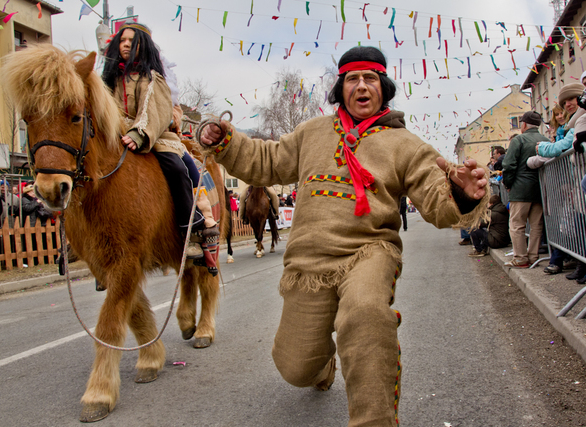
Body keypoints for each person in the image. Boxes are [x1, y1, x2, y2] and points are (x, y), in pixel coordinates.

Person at [198, 45, 488, 425]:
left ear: (383, 87)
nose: (362, 86)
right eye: (353, 79)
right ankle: (323, 362)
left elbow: (436, 198)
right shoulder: (312, 132)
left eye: (370, 78)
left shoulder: (406, 143)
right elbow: (266, 159)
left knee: (366, 314)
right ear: (341, 88)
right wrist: (226, 141)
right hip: (309, 262)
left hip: (369, 251)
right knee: (295, 368)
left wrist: (463, 193)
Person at [101, 22, 217, 263]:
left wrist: (138, 134)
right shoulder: (109, 79)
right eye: (122, 40)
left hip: (155, 137)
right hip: (115, 135)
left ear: (143, 46)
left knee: (178, 168)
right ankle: (86, 240)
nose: (125, 44)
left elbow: (155, 110)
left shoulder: (153, 78)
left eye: (131, 41)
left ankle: (191, 232)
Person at [502, 111, 549, 268]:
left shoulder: (519, 140)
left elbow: (508, 165)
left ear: (523, 125)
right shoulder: (546, 140)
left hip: (520, 189)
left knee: (517, 225)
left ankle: (521, 258)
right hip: (539, 188)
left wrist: (508, 184)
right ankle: (533, 255)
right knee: (536, 224)